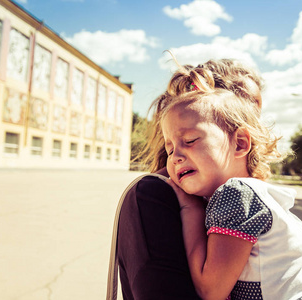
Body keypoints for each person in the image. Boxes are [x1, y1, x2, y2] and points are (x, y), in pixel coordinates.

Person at [106, 58, 264, 300]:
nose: (177, 156)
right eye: (171, 149)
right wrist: (190, 208)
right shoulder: (154, 195)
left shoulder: (246, 196)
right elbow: (209, 290)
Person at [160, 88, 302, 300]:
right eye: (169, 149)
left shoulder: (236, 195)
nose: (175, 156)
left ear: (240, 143)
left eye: (190, 140)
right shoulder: (251, 193)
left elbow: (210, 290)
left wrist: (190, 209)